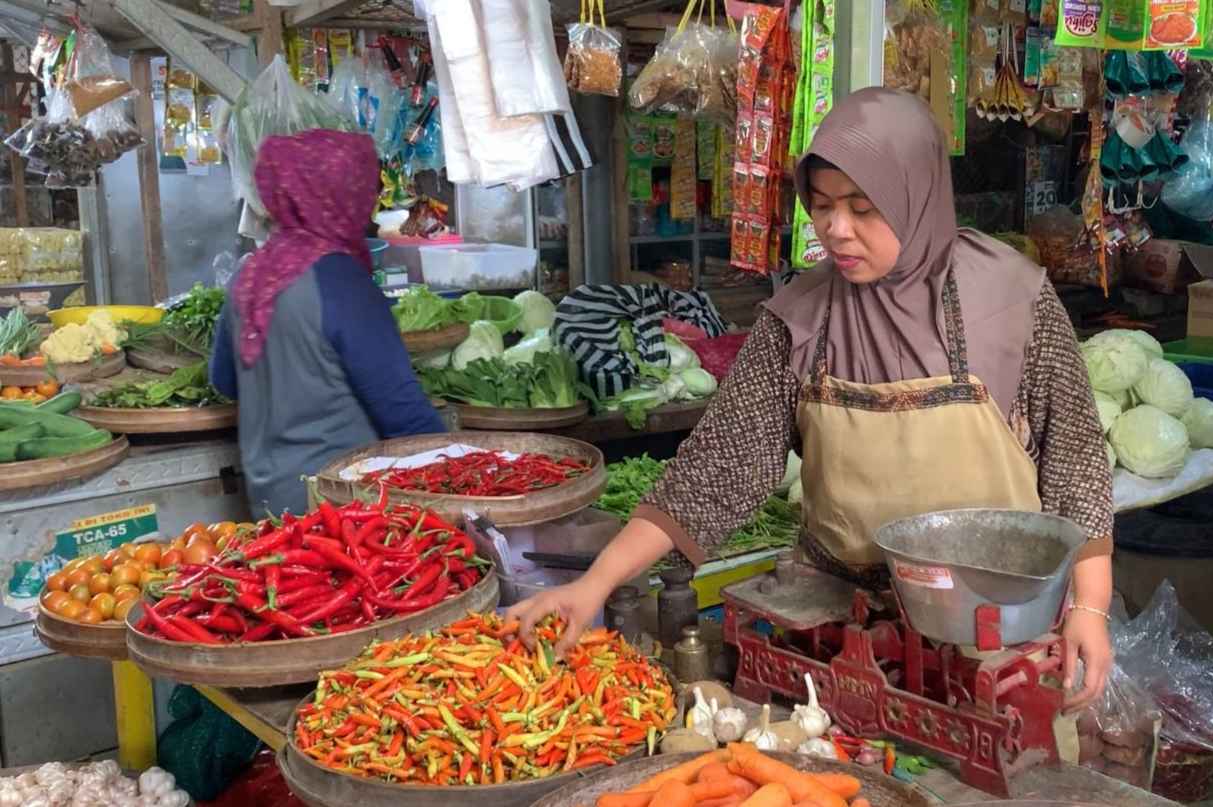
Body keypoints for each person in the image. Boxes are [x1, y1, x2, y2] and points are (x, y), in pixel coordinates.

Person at [511, 88, 1116, 710]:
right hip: (838, 623)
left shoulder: (1013, 300)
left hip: (993, 624)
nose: (837, 229)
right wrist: (595, 583)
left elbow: (1074, 460)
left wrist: (1090, 608)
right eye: (823, 207)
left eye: (862, 208)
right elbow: (718, 468)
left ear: (919, 196)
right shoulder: (800, 318)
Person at [210, 129, 445, 518]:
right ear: (338, 194)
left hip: (268, 503)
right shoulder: (341, 281)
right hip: (346, 509)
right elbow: (403, 412)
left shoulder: (248, 275)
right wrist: (460, 469)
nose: (368, 204)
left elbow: (224, 380)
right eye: (362, 189)